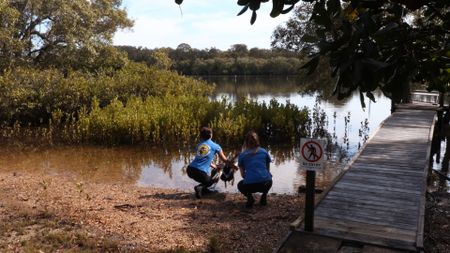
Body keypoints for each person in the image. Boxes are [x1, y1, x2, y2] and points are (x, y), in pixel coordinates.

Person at [187, 127, 228, 198]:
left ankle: (204, 190)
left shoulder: (198, 145)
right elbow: (225, 160)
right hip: (199, 172)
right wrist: (233, 164)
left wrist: (214, 166)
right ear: (211, 135)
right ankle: (199, 188)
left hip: (190, 169)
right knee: (212, 179)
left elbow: (202, 158)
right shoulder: (216, 146)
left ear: (201, 136)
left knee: (206, 177)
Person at [237, 130, 273, 208]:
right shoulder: (264, 151)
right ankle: (264, 196)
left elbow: (243, 175)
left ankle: (250, 198)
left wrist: (251, 177)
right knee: (269, 178)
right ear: (257, 141)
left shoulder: (242, 155)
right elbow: (268, 171)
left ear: (246, 142)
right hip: (265, 184)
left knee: (240, 185)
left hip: (250, 186)